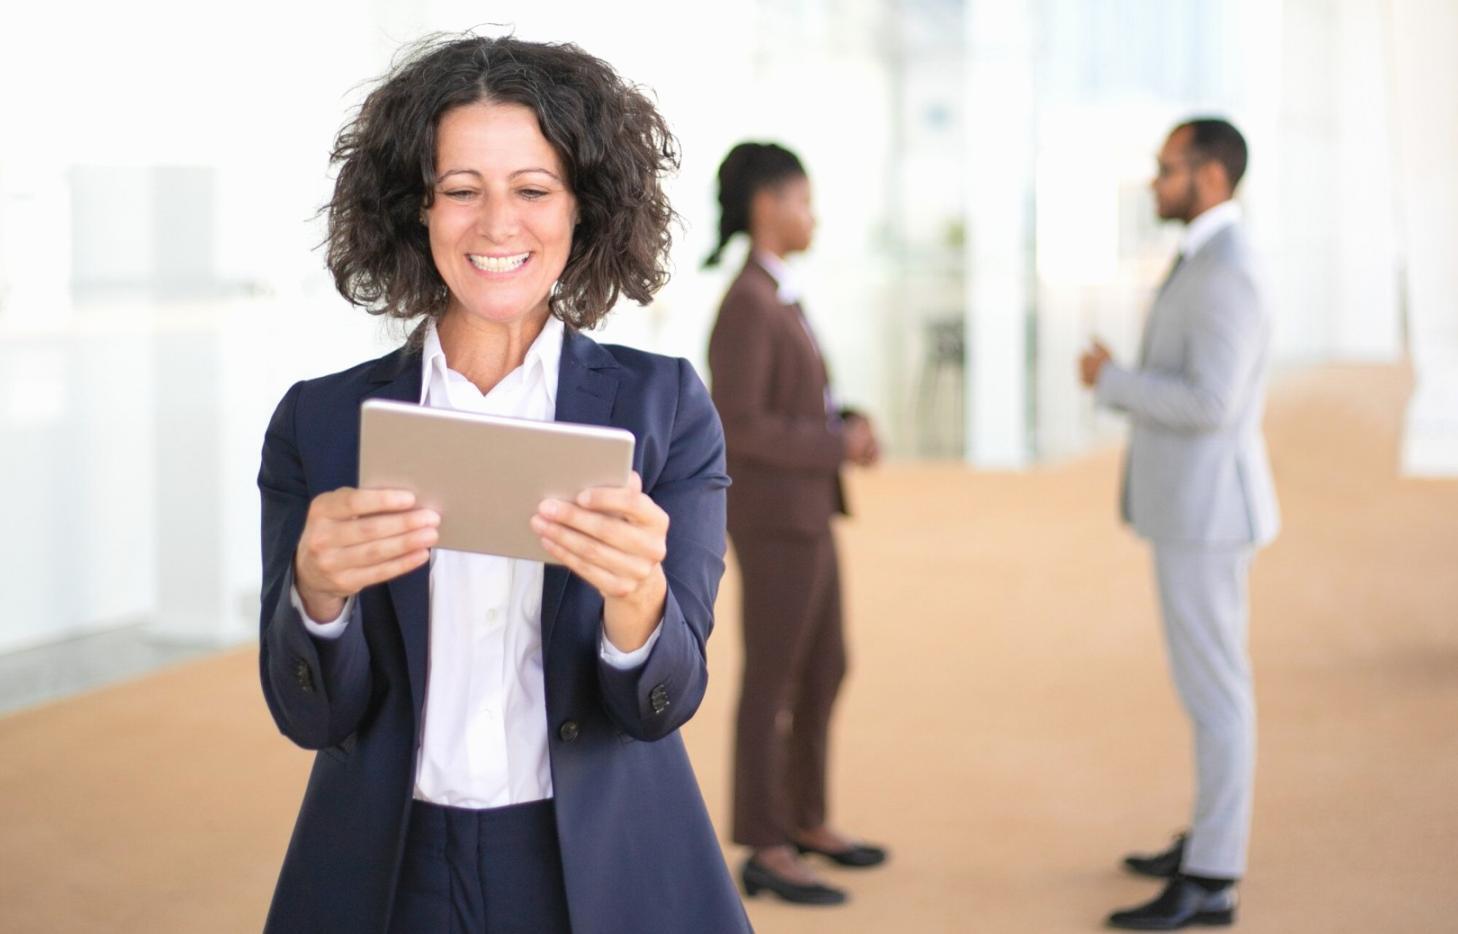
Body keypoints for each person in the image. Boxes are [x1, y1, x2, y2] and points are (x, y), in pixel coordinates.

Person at [257, 35, 750, 934]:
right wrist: (317, 596)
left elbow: (662, 704)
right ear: (416, 210)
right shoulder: (317, 425)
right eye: (461, 190)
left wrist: (637, 598)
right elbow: (310, 713)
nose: (496, 225)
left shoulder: (665, 408)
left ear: (583, 209)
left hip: (593, 868)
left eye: (532, 188)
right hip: (391, 868)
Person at [1080, 117, 1280, 930]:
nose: (1157, 182)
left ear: (1210, 175)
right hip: (1192, 508)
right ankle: (1207, 837)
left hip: (1208, 513)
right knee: (1207, 691)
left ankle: (1214, 877)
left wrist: (1113, 380)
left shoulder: (1227, 268)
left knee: (1219, 694)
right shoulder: (1206, 254)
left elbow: (1210, 402)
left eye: (1167, 168)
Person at [705, 141, 887, 907]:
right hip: (775, 518)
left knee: (826, 667)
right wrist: (832, 443)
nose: (813, 215)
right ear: (766, 208)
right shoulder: (746, 304)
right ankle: (766, 843)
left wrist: (843, 420)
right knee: (774, 680)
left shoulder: (779, 294)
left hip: (809, 511)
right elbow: (738, 425)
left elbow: (793, 401)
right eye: (803, 200)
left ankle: (807, 820)